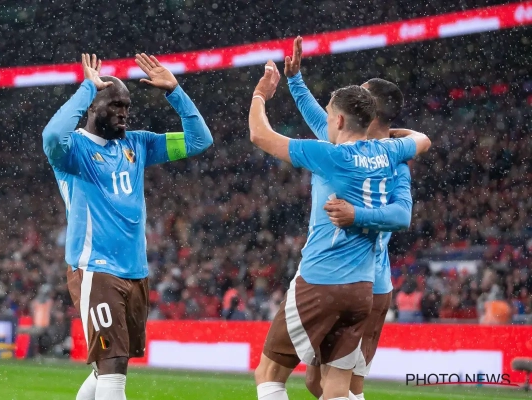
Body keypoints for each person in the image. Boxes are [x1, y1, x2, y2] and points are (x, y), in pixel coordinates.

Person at [249, 60, 430, 400]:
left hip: (331, 278)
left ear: (349, 118)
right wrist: (295, 80)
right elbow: (422, 139)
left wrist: (260, 94)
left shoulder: (332, 155)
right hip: (363, 286)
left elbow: (260, 134)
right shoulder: (391, 153)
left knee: (270, 374)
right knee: (325, 385)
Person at [42, 53, 212, 400]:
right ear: (92, 107)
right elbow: (52, 135)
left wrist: (175, 91)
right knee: (113, 364)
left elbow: (199, 140)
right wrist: (87, 88)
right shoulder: (74, 151)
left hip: (135, 270)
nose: (123, 112)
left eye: (127, 106)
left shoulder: (139, 143)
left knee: (109, 364)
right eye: (115, 105)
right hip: (95, 267)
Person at [283, 36, 415, 400]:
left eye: (362, 93)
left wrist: (357, 215)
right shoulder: (348, 148)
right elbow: (319, 119)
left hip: (369, 284)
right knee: (316, 383)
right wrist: (295, 80)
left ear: (372, 110)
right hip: (343, 280)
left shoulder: (394, 158)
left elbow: (401, 215)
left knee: (347, 386)